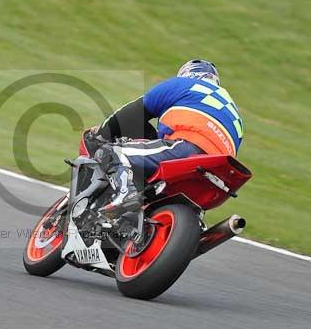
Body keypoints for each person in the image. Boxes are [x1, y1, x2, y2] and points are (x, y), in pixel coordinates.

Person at [91, 59, 244, 217]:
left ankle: (125, 194)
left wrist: (101, 132)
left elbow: (134, 111)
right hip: (221, 174)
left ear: (188, 74)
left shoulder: (186, 84)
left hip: (188, 148)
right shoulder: (235, 115)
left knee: (113, 153)